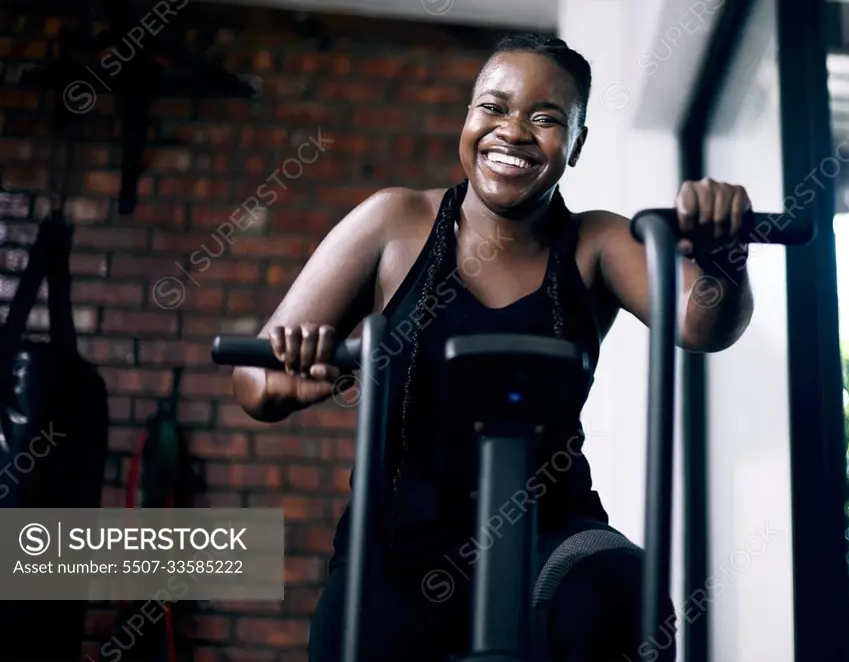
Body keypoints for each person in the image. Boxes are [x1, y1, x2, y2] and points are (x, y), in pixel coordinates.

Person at [232, 33, 754, 662]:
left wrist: (725, 258)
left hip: (551, 535)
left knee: (622, 603)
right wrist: (281, 383)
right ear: (469, 117)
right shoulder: (392, 223)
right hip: (397, 549)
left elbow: (703, 326)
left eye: (546, 118)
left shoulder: (597, 243)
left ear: (578, 144)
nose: (513, 131)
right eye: (494, 108)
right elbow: (252, 379)